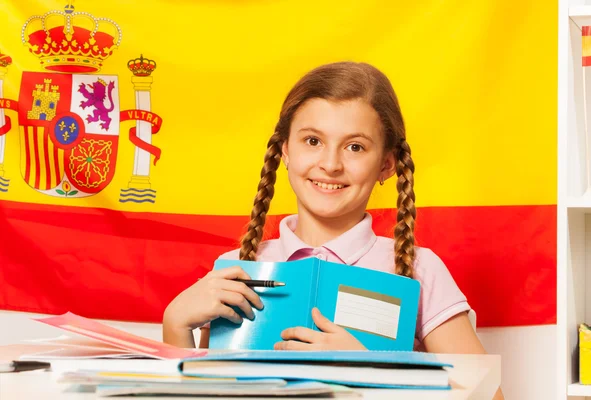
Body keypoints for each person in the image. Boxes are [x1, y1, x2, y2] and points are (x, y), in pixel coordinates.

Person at [163, 61, 503, 399]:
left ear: (387, 164)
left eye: (355, 147)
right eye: (312, 140)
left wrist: (368, 371)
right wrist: (174, 326)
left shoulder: (419, 270)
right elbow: (206, 396)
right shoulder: (236, 268)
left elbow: (489, 397)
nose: (330, 164)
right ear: (285, 149)